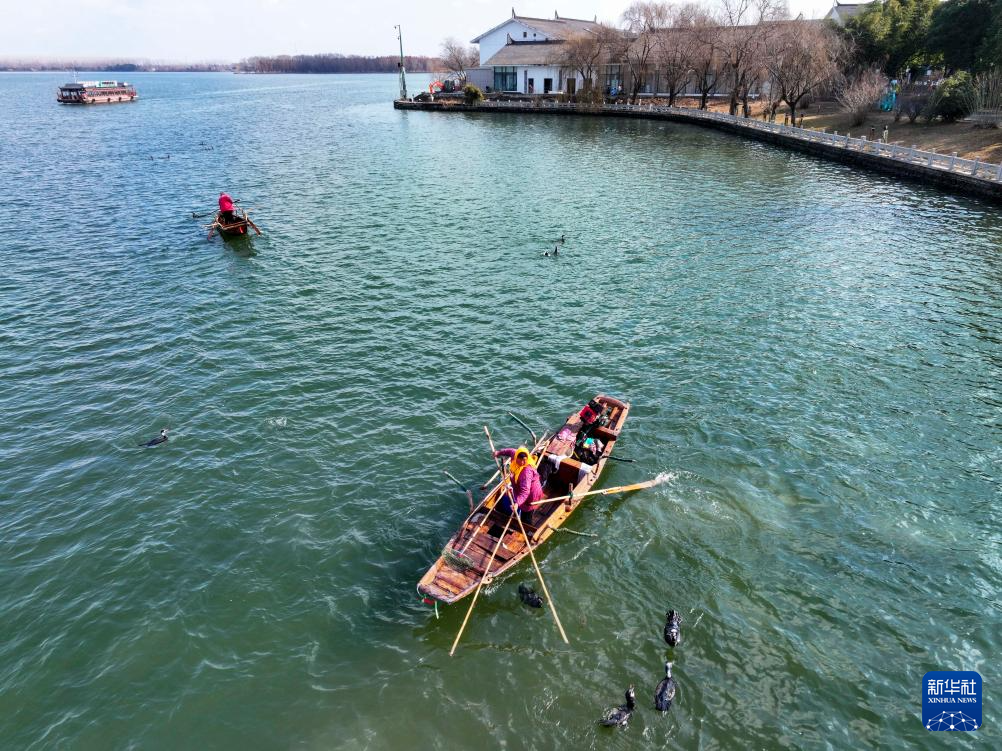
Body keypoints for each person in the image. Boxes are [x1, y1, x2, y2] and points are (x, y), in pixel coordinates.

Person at [493, 446, 543, 521]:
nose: (522, 463)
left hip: (531, 494)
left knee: (526, 515)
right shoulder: (515, 454)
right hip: (520, 489)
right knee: (518, 503)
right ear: (516, 457)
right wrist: (498, 453)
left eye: (524, 460)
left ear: (527, 458)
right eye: (520, 461)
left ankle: (527, 525)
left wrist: (517, 503)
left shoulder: (526, 472)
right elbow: (510, 451)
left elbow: (525, 491)